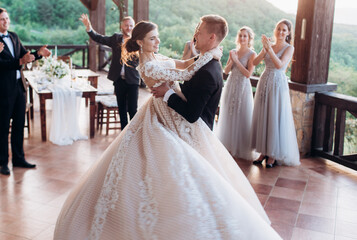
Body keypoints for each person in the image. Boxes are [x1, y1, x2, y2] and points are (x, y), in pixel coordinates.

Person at [54, 17, 282, 239]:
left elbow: (184, 64)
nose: (158, 41)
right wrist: (210, 55)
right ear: (141, 42)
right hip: (161, 115)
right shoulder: (149, 66)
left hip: (171, 112)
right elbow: (184, 74)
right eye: (153, 38)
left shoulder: (157, 56)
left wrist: (210, 55)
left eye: (158, 37)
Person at [0, 8, 51, 176]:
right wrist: (20, 61)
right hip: (3, 90)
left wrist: (39, 54)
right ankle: (2, 163)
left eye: (6, 18)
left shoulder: (13, 36)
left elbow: (25, 56)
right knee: (2, 128)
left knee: (19, 125)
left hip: (19, 87)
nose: (5, 21)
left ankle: (19, 159)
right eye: (2, 19)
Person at [251, 19, 300, 168]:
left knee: (273, 116)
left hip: (277, 83)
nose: (280, 32)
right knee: (263, 115)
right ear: (275, 30)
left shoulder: (289, 48)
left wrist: (270, 50)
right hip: (265, 81)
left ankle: (272, 154)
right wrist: (264, 49)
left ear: (288, 33)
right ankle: (263, 152)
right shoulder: (269, 46)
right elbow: (255, 62)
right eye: (279, 29)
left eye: (284, 30)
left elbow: (280, 65)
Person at [80, 14, 140, 129]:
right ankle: (123, 134)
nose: (129, 28)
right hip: (119, 80)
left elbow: (148, 54)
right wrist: (89, 27)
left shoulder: (138, 41)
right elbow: (98, 38)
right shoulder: (115, 38)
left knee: (132, 109)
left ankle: (133, 133)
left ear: (134, 27)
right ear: (121, 26)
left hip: (133, 80)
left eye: (131, 26)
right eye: (126, 25)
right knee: (121, 109)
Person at [215, 26, 258, 160]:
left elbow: (248, 74)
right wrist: (231, 60)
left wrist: (237, 61)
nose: (242, 38)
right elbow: (226, 71)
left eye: (245, 36)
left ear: (249, 38)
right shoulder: (233, 52)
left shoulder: (252, 54)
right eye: (240, 35)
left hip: (243, 87)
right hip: (231, 85)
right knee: (228, 112)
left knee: (241, 114)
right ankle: (227, 145)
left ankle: (240, 148)